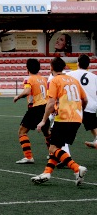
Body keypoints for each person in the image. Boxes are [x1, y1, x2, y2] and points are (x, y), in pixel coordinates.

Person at [32, 57, 88, 186]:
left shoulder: (54, 81)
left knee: (52, 147)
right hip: (77, 118)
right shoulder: (74, 80)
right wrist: (80, 112)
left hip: (63, 117)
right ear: (63, 67)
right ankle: (47, 172)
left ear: (51, 67)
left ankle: (77, 168)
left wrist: (43, 120)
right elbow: (85, 100)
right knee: (57, 146)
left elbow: (51, 103)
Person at [13, 59, 50, 164]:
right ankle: (54, 154)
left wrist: (17, 97)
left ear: (27, 68)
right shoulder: (44, 79)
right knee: (47, 132)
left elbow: (27, 91)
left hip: (35, 108)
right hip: (45, 107)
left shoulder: (28, 79)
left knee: (22, 132)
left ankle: (28, 157)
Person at [66, 55, 97, 149]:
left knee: (66, 128)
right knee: (93, 126)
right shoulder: (94, 77)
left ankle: (62, 151)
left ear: (77, 63)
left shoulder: (69, 75)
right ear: (88, 65)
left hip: (74, 106)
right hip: (90, 105)